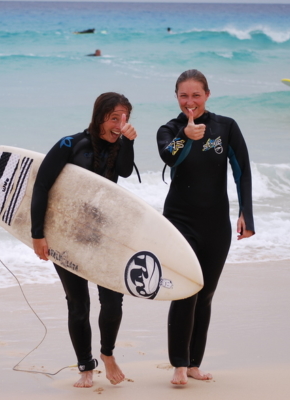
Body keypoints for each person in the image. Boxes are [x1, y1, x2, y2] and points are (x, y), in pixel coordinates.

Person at [31, 92, 137, 388]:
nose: (120, 123)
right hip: (67, 234)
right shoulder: (70, 144)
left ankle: (107, 354)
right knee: (78, 304)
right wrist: (38, 234)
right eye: (114, 118)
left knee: (114, 299)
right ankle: (85, 367)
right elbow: (42, 186)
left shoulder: (120, 146)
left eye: (125, 118)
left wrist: (128, 140)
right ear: (99, 116)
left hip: (104, 234)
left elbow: (126, 171)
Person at [156, 69, 255, 385]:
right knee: (185, 290)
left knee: (206, 293)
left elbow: (242, 172)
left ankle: (195, 363)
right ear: (176, 97)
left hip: (216, 223)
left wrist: (246, 215)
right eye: (183, 96)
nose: (190, 102)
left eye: (195, 95)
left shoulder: (225, 127)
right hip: (179, 221)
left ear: (207, 95)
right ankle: (179, 364)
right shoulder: (169, 129)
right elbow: (169, 158)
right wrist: (186, 135)